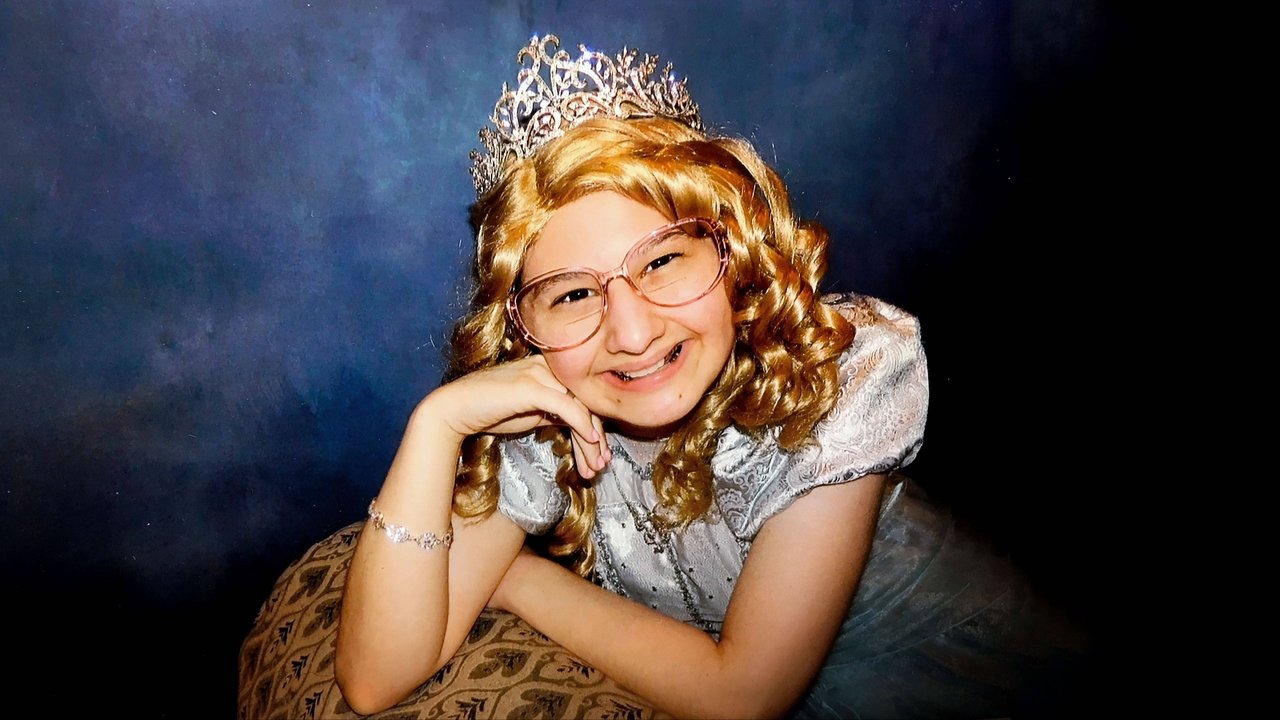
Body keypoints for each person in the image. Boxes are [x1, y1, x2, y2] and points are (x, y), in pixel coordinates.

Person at [335, 34, 1088, 719]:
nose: (631, 334)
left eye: (662, 261)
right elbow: (374, 679)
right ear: (523, 327)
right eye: (571, 295)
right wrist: (435, 425)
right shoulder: (551, 416)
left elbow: (744, 695)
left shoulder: (835, 381)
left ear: (734, 254)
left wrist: (518, 580)